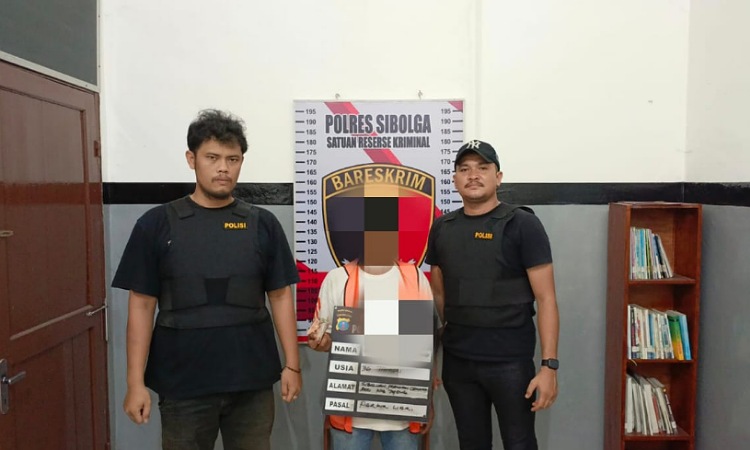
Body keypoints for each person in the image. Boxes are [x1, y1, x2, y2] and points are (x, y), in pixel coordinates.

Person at [112, 109, 301, 450]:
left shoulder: (263, 224)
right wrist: (135, 383)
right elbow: (141, 305)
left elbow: (280, 295)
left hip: (251, 383)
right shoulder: (156, 225)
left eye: (232, 159)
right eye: (212, 158)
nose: (223, 168)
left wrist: (293, 365)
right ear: (192, 159)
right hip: (183, 385)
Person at [426, 140, 560, 450]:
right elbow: (439, 291)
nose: (473, 175)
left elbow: (547, 299)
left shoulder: (522, 224)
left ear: (498, 177)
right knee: (471, 443)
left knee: (519, 443)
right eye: (464, 169)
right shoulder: (442, 228)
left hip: (510, 363)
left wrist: (549, 366)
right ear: (455, 180)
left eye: (482, 168)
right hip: (459, 363)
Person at [307, 219, 435, 450]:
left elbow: (424, 348)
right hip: (349, 413)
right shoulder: (337, 279)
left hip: (403, 413)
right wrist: (319, 341)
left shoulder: (415, 278)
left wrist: (427, 402)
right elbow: (326, 340)